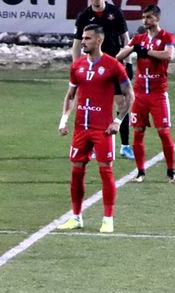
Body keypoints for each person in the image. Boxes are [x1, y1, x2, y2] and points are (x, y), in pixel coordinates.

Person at [57, 24, 134, 234]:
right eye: (83, 38)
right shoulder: (77, 65)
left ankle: (108, 219)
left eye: (87, 38)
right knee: (76, 171)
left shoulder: (113, 65)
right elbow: (70, 95)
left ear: (99, 40)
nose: (83, 41)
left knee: (105, 170)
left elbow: (129, 95)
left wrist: (118, 121)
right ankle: (76, 217)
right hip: (81, 128)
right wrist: (64, 120)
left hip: (102, 129)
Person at [116, 5, 175, 184]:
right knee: (138, 132)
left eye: (149, 17)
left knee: (164, 132)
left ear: (157, 18)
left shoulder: (167, 37)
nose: (145, 20)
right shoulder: (139, 38)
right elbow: (119, 56)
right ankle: (140, 172)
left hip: (158, 94)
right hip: (140, 94)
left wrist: (146, 51)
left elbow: (168, 55)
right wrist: (132, 48)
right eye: (143, 17)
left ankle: (171, 172)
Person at [72, 0, 135, 160]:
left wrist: (128, 63)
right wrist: (77, 67)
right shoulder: (84, 16)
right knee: (93, 105)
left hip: (114, 65)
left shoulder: (115, 12)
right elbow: (77, 45)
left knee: (121, 102)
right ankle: (92, 146)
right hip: (93, 68)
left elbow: (126, 39)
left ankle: (125, 145)